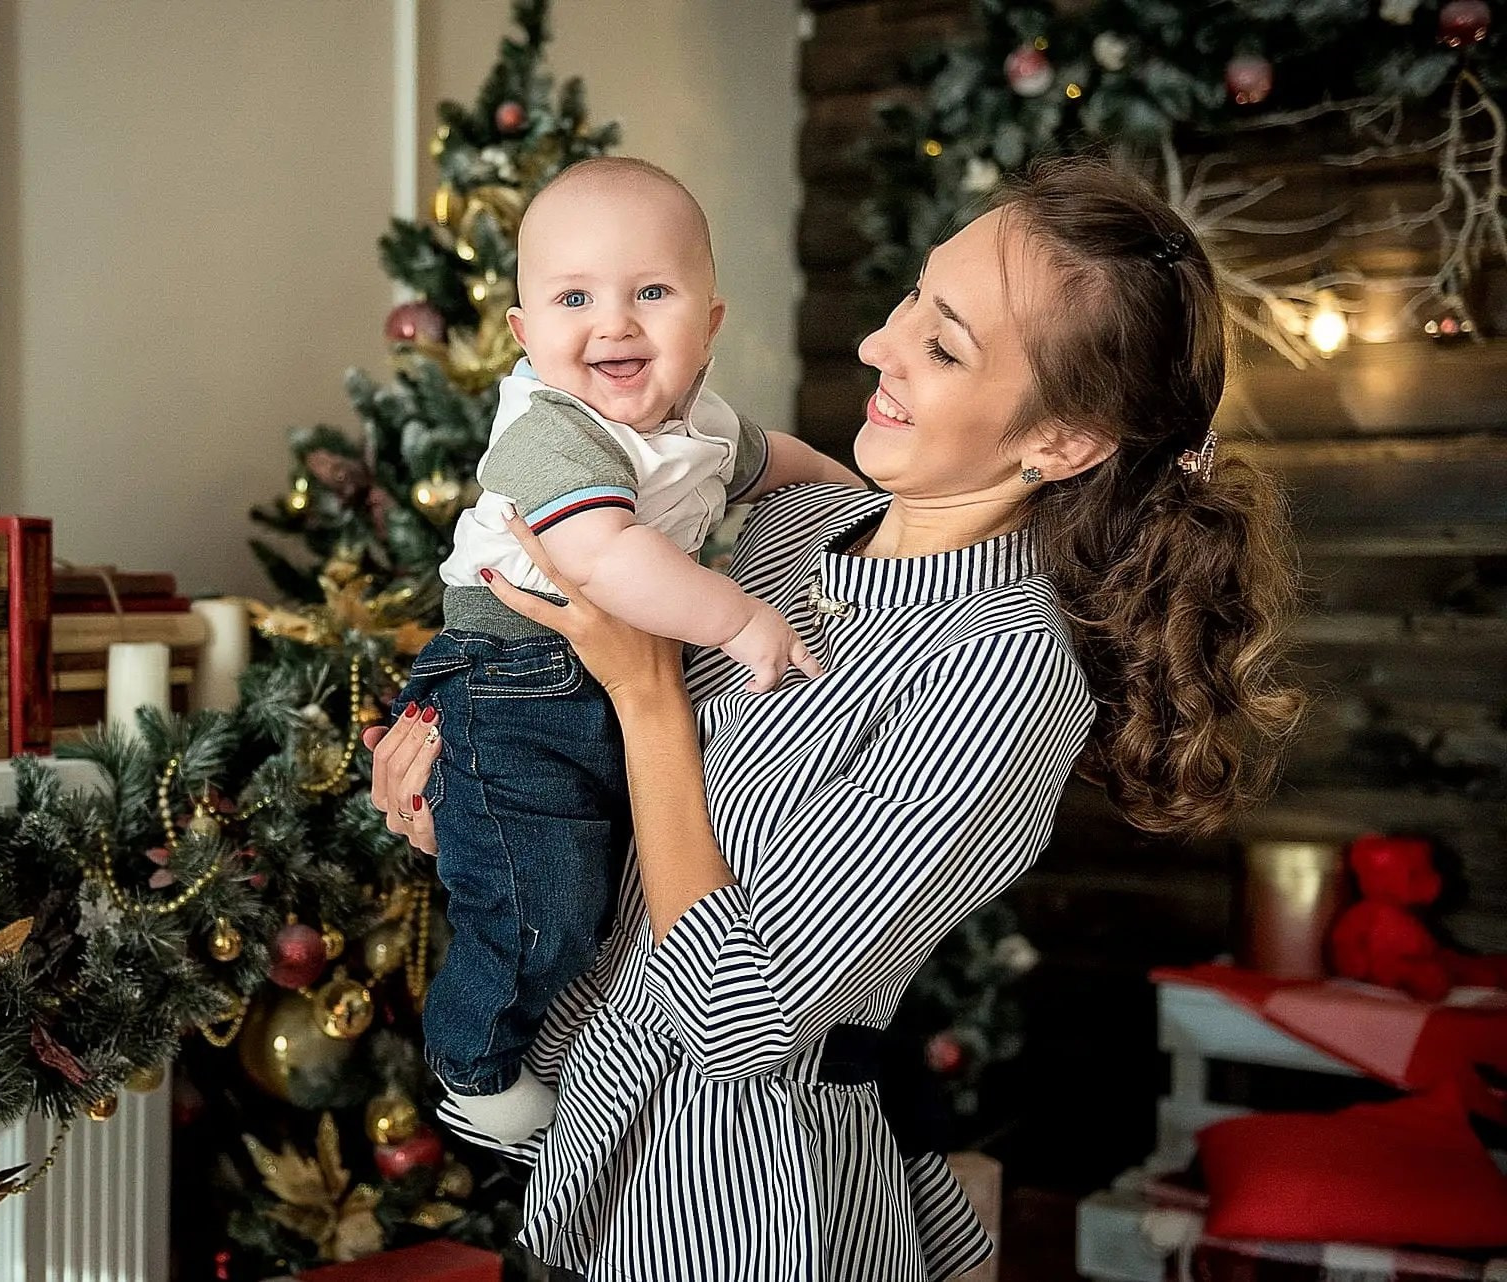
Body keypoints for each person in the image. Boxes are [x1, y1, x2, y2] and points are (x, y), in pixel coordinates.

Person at [365, 156, 1304, 1281]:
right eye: (913, 295)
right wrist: (458, 766)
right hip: (583, 1159)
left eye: (944, 344)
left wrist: (646, 690)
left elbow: (735, 1019)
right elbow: (610, 798)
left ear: (1063, 441)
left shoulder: (1002, 675)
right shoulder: (794, 530)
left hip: (738, 1211)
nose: (878, 345)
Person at [398, 156, 862, 1143]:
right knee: (543, 896)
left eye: (652, 292)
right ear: (524, 334)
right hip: (509, 679)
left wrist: (854, 499)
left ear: (709, 321)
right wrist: (737, 619)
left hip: (590, 686)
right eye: (575, 298)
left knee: (597, 884)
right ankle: (472, 1067)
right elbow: (604, 561)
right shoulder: (548, 431)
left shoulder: (697, 421)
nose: (614, 324)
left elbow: (778, 461)